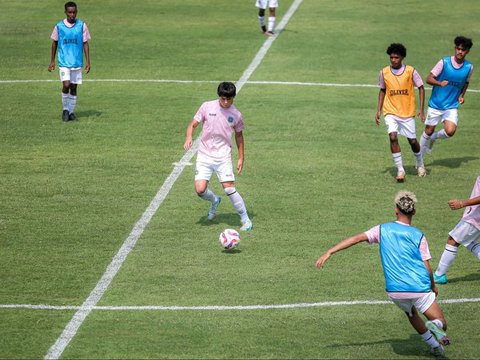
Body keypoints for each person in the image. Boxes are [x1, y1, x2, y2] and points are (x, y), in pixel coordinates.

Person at [315, 190, 450, 357]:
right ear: (414, 212)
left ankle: (435, 346)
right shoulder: (418, 235)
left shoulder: (382, 229)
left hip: (395, 291)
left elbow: (356, 238)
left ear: (396, 210)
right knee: (441, 323)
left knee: (411, 313)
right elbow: (427, 268)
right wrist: (433, 286)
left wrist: (329, 252)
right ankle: (435, 325)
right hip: (419, 288)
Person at [183, 82, 253, 231]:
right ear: (219, 97)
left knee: (228, 188)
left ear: (233, 98)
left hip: (223, 157)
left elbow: (239, 136)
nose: (226, 102)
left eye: (229, 99)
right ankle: (215, 200)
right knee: (200, 190)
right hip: (204, 155)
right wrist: (189, 136)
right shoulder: (207, 107)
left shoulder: (236, 115)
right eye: (223, 99)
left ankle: (245, 219)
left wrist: (241, 158)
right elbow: (193, 124)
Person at [375, 43, 426, 182]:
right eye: (391, 57)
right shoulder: (384, 72)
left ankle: (420, 163)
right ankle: (400, 169)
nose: (393, 60)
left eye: (396, 57)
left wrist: (421, 110)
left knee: (412, 141)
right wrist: (378, 110)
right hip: (390, 111)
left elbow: (421, 88)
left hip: (407, 112)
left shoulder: (411, 71)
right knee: (392, 137)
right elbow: (382, 90)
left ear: (402, 57)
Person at [419, 36, 473, 157]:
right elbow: (428, 79)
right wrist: (439, 83)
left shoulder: (469, 67)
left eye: (463, 50)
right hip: (436, 104)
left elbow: (466, 82)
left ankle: (434, 137)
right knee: (428, 131)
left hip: (451, 106)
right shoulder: (444, 62)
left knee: (450, 131)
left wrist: (462, 95)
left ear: (467, 51)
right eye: (458, 49)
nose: (460, 51)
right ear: (455, 48)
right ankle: (419, 162)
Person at [48, 1, 91, 122]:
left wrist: (88, 61)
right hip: (63, 62)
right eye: (69, 12)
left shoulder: (82, 25)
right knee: (66, 85)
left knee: (74, 87)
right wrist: (52, 61)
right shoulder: (59, 26)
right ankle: (65, 110)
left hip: (77, 62)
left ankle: (71, 113)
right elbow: (54, 43)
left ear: (76, 12)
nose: (72, 14)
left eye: (74, 12)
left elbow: (85, 44)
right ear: (65, 12)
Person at [434, 176, 480, 284]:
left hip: (475, 217)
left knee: (453, 240)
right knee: (468, 242)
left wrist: (462, 203)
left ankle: (439, 275)